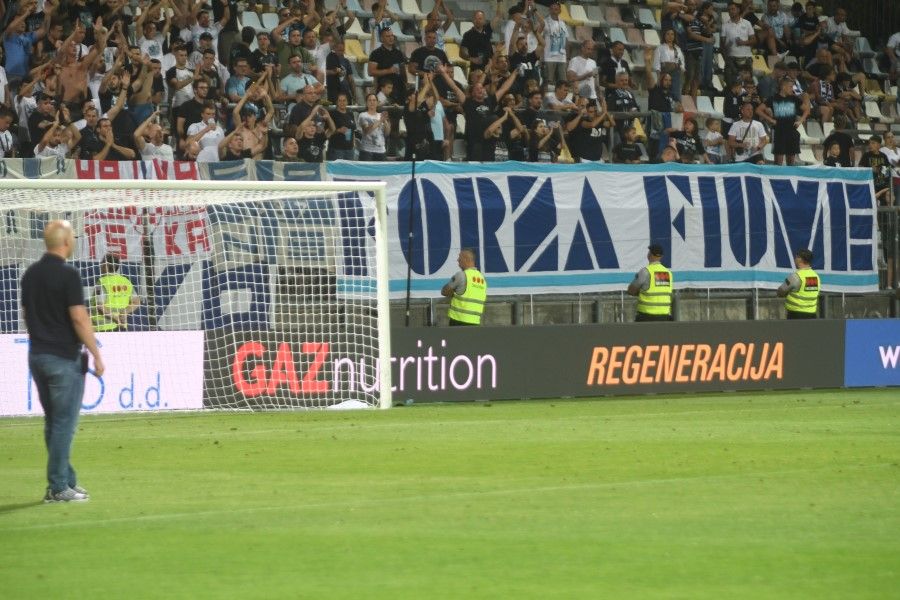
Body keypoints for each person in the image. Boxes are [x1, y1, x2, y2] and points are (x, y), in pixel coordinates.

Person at [20, 220, 105, 503]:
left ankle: (66, 480)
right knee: (63, 424)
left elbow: (26, 313)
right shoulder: (68, 275)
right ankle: (58, 488)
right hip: (63, 358)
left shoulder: (30, 274)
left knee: (54, 422)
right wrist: (96, 353)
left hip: (37, 355)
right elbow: (79, 318)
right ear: (67, 241)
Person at [90, 253, 139, 332]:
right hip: (122, 326)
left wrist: (115, 318)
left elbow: (100, 307)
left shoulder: (102, 282)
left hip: (103, 328)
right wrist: (124, 312)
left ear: (105, 265)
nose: (100, 265)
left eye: (102, 263)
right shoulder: (126, 281)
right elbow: (136, 302)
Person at [441, 248, 487, 326]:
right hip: (475, 322)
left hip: (458, 322)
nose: (458, 260)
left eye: (460, 257)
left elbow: (444, 291)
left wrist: (453, 291)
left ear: (466, 259)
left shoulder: (461, 275)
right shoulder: (482, 279)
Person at [627, 244, 674, 322]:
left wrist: (640, 291)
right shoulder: (668, 273)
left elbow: (631, 291)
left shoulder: (645, 271)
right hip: (664, 317)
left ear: (649, 255)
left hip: (646, 317)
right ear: (661, 257)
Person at [777, 248, 819, 319]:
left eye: (796, 257)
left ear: (800, 259)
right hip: (812, 315)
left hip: (796, 315)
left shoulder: (795, 277)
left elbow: (780, 292)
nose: (795, 260)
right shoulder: (816, 276)